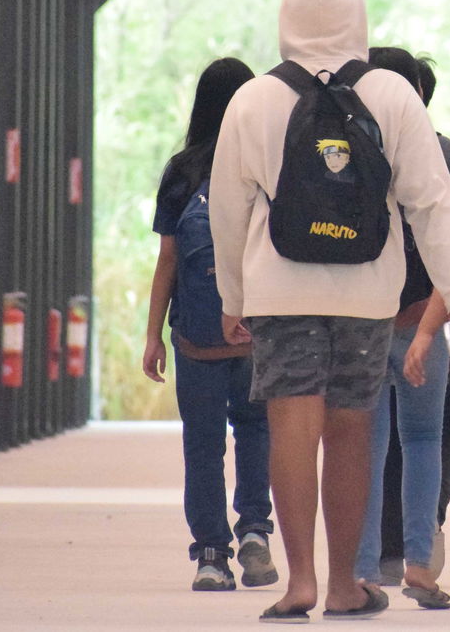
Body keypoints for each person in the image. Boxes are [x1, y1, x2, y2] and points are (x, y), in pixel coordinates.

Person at [209, 0, 450, 623]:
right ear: (357, 17)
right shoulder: (392, 93)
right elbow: (431, 204)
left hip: (279, 288)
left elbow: (225, 206)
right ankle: (343, 586)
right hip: (367, 294)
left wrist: (233, 295)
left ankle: (298, 581)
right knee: (352, 431)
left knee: (290, 429)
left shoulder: (255, 98)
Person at [141, 57, 276, 593]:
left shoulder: (182, 171)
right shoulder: (264, 165)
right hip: (256, 335)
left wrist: (153, 335)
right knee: (257, 431)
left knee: (201, 443)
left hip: (196, 337)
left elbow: (168, 261)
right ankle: (255, 530)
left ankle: (212, 555)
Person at [351, 47, 450, 610]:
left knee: (365, 448)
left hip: (364, 321)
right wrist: (432, 324)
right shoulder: (441, 153)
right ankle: (419, 566)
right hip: (426, 313)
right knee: (423, 442)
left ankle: (363, 571)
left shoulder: (349, 148)